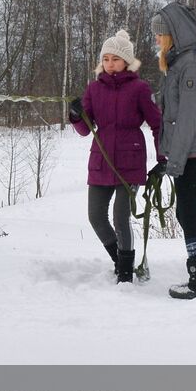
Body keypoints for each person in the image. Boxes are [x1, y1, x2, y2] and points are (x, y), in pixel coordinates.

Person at [68, 30, 162, 284]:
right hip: (100, 161)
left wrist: (163, 157)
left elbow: (157, 124)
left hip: (129, 162)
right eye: (106, 59)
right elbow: (85, 129)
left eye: (115, 59)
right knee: (96, 217)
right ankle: (118, 260)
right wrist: (76, 115)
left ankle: (126, 272)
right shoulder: (93, 89)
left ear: (127, 62)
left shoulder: (140, 89)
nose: (110, 64)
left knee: (121, 216)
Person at [148, 3, 196, 300]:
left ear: (173, 34)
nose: (156, 39)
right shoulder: (178, 63)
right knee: (186, 212)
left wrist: (173, 161)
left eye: (160, 34)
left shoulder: (189, 65)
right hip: (188, 151)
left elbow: (188, 118)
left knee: (187, 212)